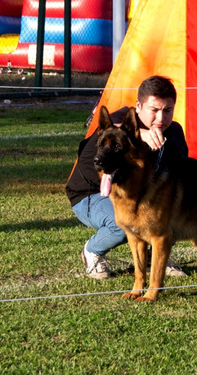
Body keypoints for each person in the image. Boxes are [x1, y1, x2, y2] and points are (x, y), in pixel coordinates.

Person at [66, 76, 189, 280]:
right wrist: (141, 133)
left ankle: (152, 257)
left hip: (135, 195)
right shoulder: (119, 124)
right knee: (124, 224)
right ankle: (92, 251)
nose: (161, 119)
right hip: (90, 195)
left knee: (170, 211)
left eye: (167, 110)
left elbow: (180, 173)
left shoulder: (174, 131)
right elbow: (113, 126)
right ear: (138, 106)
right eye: (154, 110)